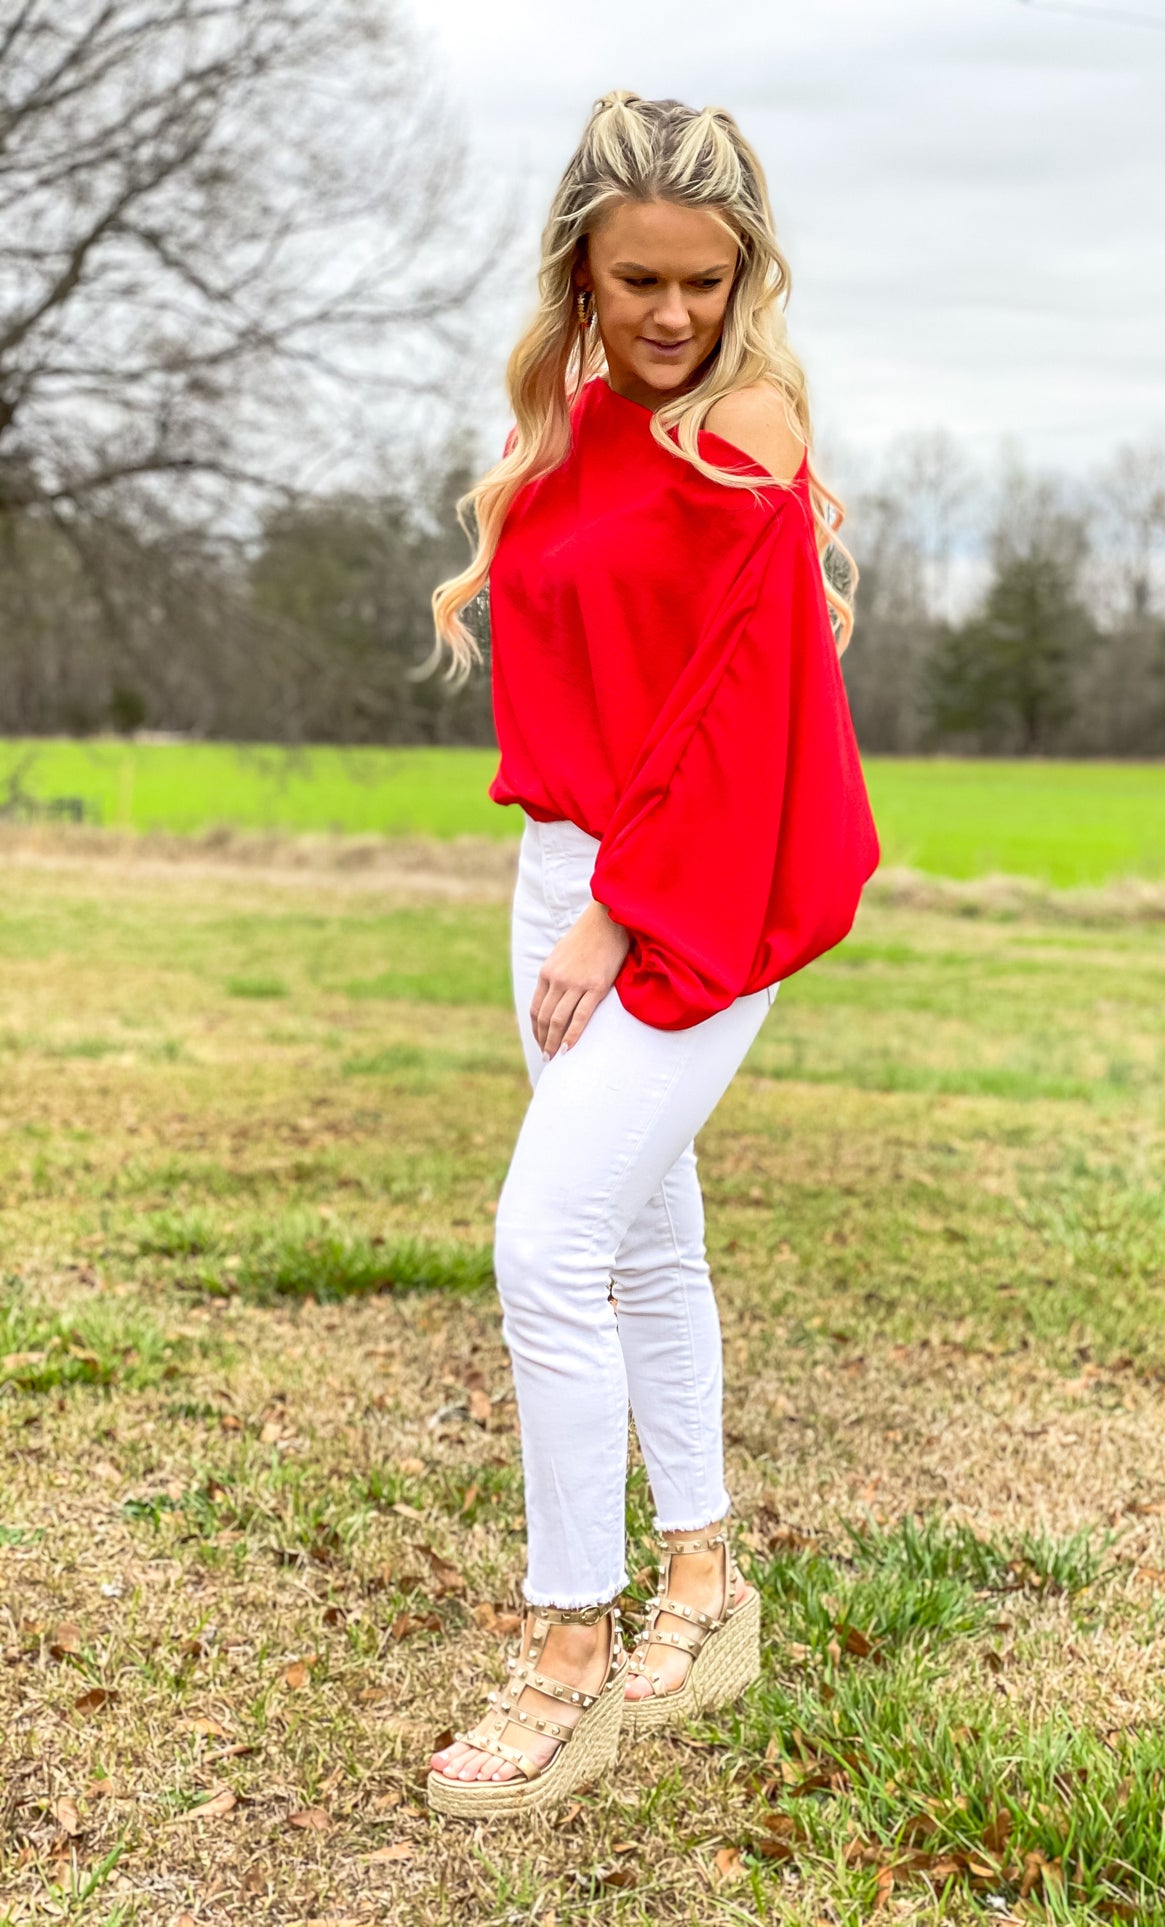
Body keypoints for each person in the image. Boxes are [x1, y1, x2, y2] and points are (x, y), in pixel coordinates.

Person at [422, 89, 880, 1818]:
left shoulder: (743, 427)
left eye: (704, 279)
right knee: (637, 1239)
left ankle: (566, 1646)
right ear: (582, 277)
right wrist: (575, 886)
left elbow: (735, 696)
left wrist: (621, 898)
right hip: (564, 879)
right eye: (638, 283)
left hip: (693, 885)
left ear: (744, 274)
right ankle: (702, 1579)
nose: (673, 314)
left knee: (541, 1242)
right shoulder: (567, 418)